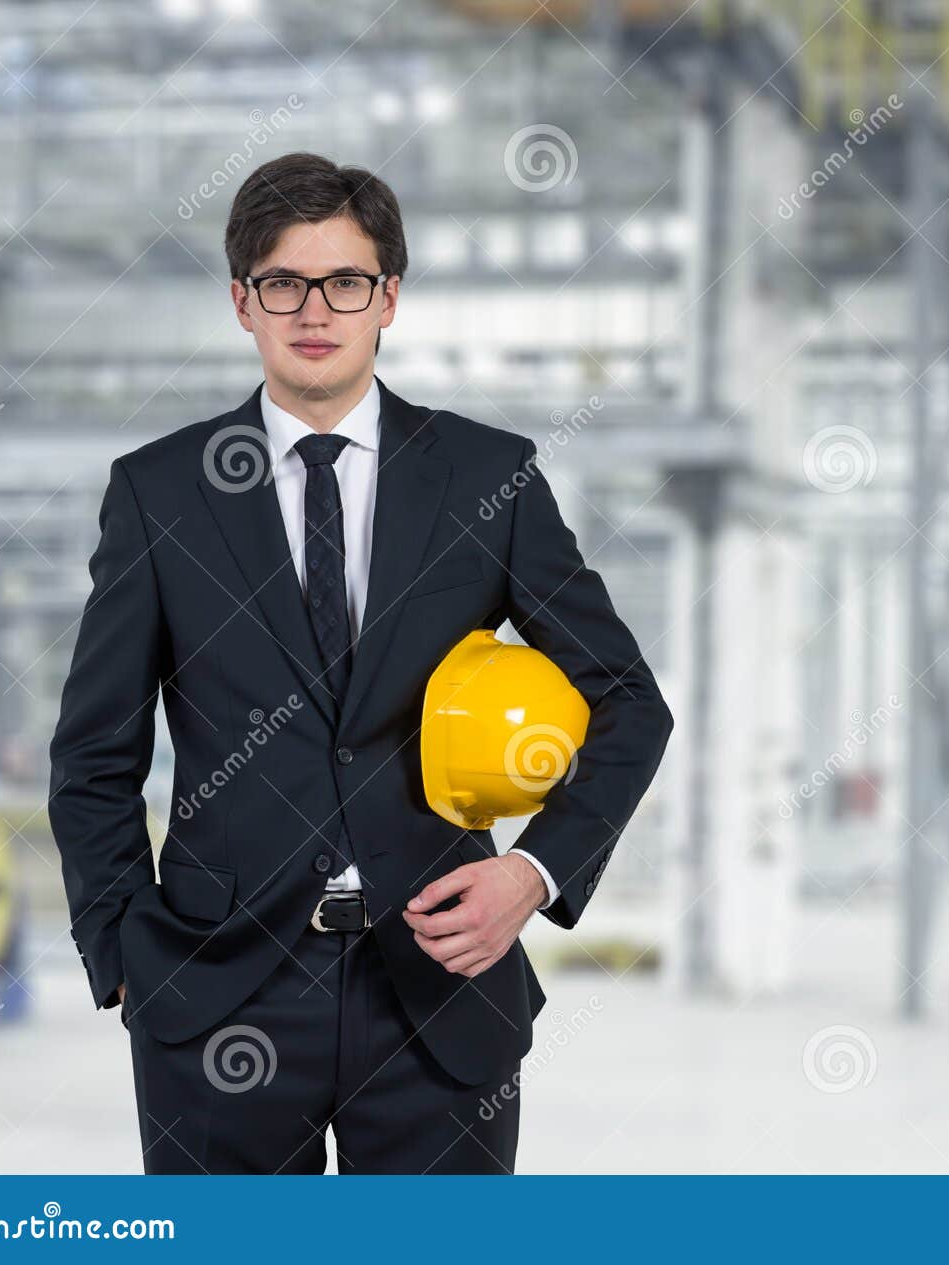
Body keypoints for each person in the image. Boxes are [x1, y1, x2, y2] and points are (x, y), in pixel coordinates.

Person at [47, 152, 673, 1174]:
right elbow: (93, 753)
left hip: (438, 989)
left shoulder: (488, 478)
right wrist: (120, 951)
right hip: (217, 996)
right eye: (283, 282)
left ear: (388, 297)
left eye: (344, 281)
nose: (314, 308)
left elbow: (628, 700)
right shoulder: (160, 493)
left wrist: (533, 871)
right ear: (242, 301)